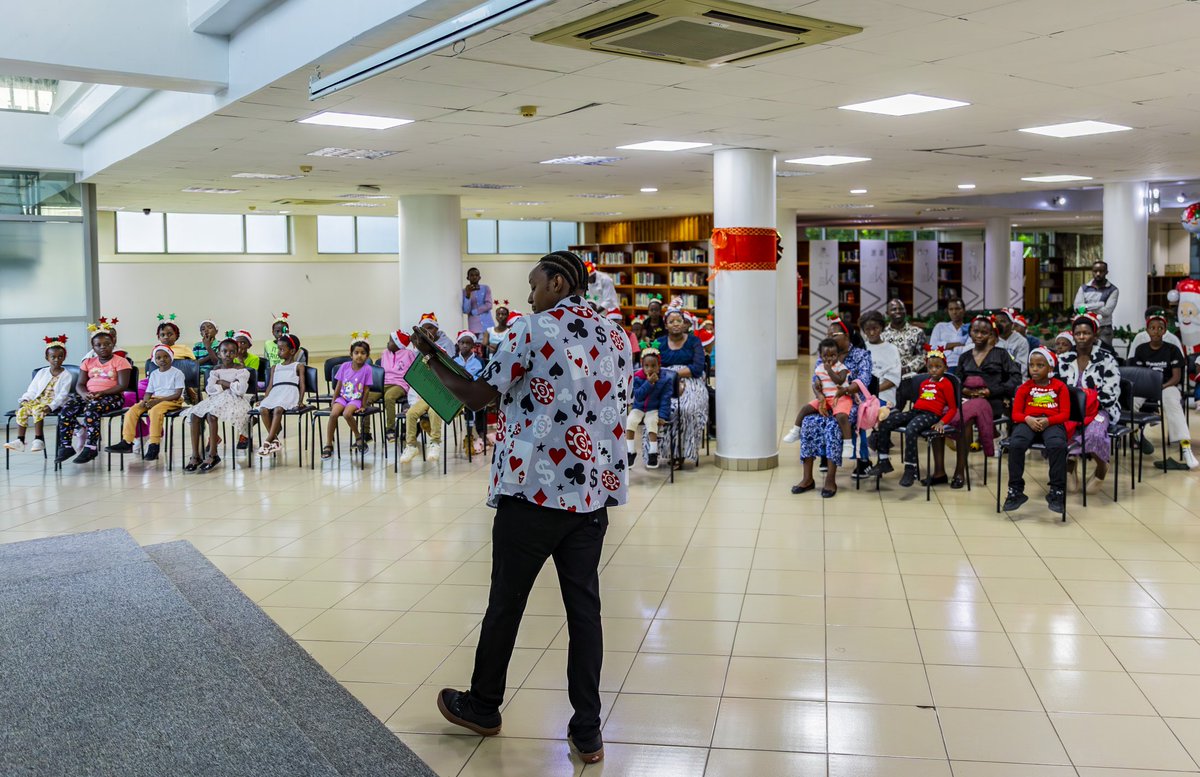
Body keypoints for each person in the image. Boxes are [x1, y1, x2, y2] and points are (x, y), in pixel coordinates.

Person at [418, 250, 630, 766]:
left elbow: (476, 395)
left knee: (506, 603)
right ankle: (587, 731)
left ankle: (484, 705)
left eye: (534, 284)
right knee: (585, 614)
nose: (530, 293)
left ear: (558, 283)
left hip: (531, 494)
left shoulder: (530, 329)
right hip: (589, 501)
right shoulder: (617, 337)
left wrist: (429, 364)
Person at [794, 316, 872, 498]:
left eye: (833, 334)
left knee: (833, 425)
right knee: (808, 421)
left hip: (850, 403)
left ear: (846, 335)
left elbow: (864, 380)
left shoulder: (861, 355)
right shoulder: (825, 354)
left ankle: (830, 479)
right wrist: (820, 396)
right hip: (827, 402)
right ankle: (807, 478)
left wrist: (845, 390)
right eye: (827, 334)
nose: (829, 338)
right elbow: (816, 380)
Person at [868, 346, 957, 486]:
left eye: (938, 367)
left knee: (911, 429)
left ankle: (911, 469)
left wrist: (942, 422)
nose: (933, 370)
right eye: (930, 367)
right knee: (886, 422)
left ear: (945, 368)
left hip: (931, 415)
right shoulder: (925, 383)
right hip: (916, 411)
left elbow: (953, 408)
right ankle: (884, 461)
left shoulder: (946, 384)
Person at [950, 315, 1021, 488]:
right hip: (967, 398)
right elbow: (956, 380)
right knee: (958, 414)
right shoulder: (965, 356)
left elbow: (1015, 379)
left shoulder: (1002, 354)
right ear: (971, 333)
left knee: (965, 418)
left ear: (991, 334)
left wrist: (992, 391)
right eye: (976, 331)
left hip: (993, 400)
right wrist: (963, 390)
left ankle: (960, 471)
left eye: (984, 332)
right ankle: (949, 468)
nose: (979, 335)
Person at [1059, 310, 1121, 494]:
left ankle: (1102, 467)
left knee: (1093, 433)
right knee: (1060, 428)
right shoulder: (1063, 359)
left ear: (1095, 335)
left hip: (1099, 409)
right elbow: (1055, 386)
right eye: (1077, 333)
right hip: (1069, 408)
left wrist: (1089, 405)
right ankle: (1070, 464)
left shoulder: (1107, 359)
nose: (1081, 337)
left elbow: (1112, 391)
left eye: (1086, 333)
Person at [1003, 347, 1070, 514]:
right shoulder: (1025, 387)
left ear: (1051, 368)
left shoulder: (1060, 387)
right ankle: (1015, 490)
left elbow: (1065, 414)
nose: (1034, 368)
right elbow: (1016, 413)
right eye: (1031, 365)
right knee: (1016, 444)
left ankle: (1056, 491)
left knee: (1057, 445)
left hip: (1052, 422)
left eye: (1040, 365)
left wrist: (1048, 420)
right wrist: (1028, 419)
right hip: (1028, 421)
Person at [1130, 311, 1197, 470]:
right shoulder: (1140, 349)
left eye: (1160, 328)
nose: (1156, 331)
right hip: (1145, 387)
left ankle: (1186, 448)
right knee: (1130, 401)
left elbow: (1176, 377)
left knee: (1173, 402)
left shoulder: (1172, 349)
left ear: (1164, 330)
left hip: (1167, 386)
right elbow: (1138, 375)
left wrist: (1160, 387)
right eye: (1152, 328)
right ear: (1147, 330)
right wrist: (1149, 388)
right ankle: (1136, 435)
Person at [56, 324, 132, 464]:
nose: (103, 347)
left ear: (113, 344)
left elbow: (122, 385)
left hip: (112, 397)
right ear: (93, 347)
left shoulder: (121, 362)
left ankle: (91, 447)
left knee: (92, 409)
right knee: (66, 408)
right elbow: (80, 384)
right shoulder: (88, 362)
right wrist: (84, 394)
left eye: (107, 344)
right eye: (99, 345)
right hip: (89, 395)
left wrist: (102, 392)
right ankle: (66, 446)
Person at [181, 338, 252, 473]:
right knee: (195, 414)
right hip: (216, 399)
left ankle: (213, 454)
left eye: (232, 352)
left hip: (235, 400)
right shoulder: (215, 370)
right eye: (224, 351)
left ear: (236, 354)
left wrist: (223, 383)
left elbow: (240, 390)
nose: (228, 354)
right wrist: (228, 384)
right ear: (219, 353)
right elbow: (210, 389)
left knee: (211, 415)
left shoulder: (241, 370)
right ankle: (196, 455)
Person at [105, 345, 185, 461]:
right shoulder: (154, 374)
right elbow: (149, 392)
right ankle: (127, 441)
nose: (162, 360)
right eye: (158, 358)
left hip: (172, 400)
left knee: (155, 411)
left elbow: (177, 394)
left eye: (166, 357)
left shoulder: (177, 373)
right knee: (132, 410)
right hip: (155, 399)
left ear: (171, 357)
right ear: (154, 360)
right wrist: (145, 401)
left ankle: (154, 444)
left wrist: (158, 401)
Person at [655, 308, 708, 465]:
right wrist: (668, 376)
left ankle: (685, 452)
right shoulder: (659, 342)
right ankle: (663, 452)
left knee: (687, 408)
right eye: (671, 321)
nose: (676, 324)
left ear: (684, 323)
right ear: (666, 325)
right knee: (661, 409)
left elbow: (698, 367)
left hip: (692, 379)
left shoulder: (694, 341)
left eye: (679, 320)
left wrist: (677, 374)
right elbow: (653, 365)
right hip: (665, 379)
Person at [400, 313, 453, 465]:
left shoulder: (443, 352)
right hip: (425, 395)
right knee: (411, 413)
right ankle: (410, 445)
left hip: (440, 393)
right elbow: (417, 381)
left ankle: (435, 443)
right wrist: (413, 399)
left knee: (434, 411)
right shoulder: (419, 357)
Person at [5, 335, 72, 453]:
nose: (56, 359)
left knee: (37, 410)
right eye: (53, 357)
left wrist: (51, 407)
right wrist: (25, 399)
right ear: (47, 358)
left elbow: (63, 396)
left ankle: (38, 439)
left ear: (64, 358)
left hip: (52, 403)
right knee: (22, 410)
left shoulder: (66, 375)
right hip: (38, 400)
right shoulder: (42, 372)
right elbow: (32, 390)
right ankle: (20, 441)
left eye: (60, 357)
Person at [321, 334, 373, 459]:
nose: (359, 355)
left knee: (347, 414)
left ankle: (358, 437)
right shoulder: (344, 366)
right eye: (356, 352)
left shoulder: (367, 369)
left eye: (363, 353)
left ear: (367, 355)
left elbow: (366, 390)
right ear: (351, 354)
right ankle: (328, 443)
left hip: (356, 399)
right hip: (342, 398)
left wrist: (363, 406)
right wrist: (334, 401)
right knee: (333, 414)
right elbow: (338, 385)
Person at [256, 334, 306, 457]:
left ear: (292, 351)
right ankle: (275, 440)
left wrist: (300, 400)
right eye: (278, 349)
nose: (279, 352)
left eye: (282, 349)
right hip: (276, 393)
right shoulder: (275, 367)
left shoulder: (298, 366)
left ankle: (268, 441)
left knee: (278, 409)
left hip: (289, 392)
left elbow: (302, 385)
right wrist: (264, 399)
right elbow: (270, 386)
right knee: (263, 409)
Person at [626, 348, 674, 469]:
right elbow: (638, 396)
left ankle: (653, 452)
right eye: (646, 366)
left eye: (653, 366)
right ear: (642, 366)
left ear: (659, 366)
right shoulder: (637, 378)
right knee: (630, 421)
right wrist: (648, 383)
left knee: (652, 422)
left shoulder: (665, 380)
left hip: (653, 409)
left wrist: (663, 416)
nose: (650, 369)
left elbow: (665, 399)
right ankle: (630, 452)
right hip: (639, 407)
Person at [378, 330, 417, 442]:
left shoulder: (408, 354)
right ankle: (366, 433)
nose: (388, 343)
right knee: (366, 397)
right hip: (384, 383)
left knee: (389, 397)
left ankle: (390, 429)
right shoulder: (385, 353)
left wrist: (410, 388)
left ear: (398, 344)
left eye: (391, 341)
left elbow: (413, 372)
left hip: (400, 384)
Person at [454, 330, 488, 454]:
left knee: (478, 402)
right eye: (462, 342)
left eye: (468, 343)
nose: (464, 345)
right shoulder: (454, 360)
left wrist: (470, 379)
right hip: (458, 393)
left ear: (473, 345)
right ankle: (469, 435)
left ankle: (480, 433)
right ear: (458, 343)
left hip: (474, 391)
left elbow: (482, 377)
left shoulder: (479, 361)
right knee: (466, 403)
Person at [1073, 260, 1119, 345]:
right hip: (1085, 327)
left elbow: (1107, 311)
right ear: (1092, 272)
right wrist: (1100, 304)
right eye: (1095, 271)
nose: (1098, 274)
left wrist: (1085, 307)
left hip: (1104, 328)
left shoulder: (1113, 290)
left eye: (1101, 271)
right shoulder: (1084, 288)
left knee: (1105, 353)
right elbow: (1077, 308)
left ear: (1106, 272)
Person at [881, 298, 927, 377]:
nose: (898, 311)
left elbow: (923, 356)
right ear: (887, 313)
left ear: (905, 311)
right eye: (894, 309)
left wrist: (907, 369)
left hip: (910, 375)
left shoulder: (917, 332)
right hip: (886, 376)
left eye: (901, 309)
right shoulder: (882, 334)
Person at [929, 298, 969, 369]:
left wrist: (946, 347)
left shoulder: (969, 328)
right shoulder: (940, 326)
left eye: (957, 309)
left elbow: (969, 349)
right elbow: (932, 347)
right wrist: (958, 344)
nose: (954, 312)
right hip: (943, 365)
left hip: (963, 365)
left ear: (963, 310)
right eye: (951, 309)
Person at [994, 308, 1031, 373]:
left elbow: (1022, 367)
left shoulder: (1021, 341)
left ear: (1012, 324)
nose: (998, 324)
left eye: (1003, 321)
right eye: (996, 322)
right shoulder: (991, 339)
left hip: (1017, 378)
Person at [462, 267, 495, 335]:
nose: (474, 277)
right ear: (468, 278)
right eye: (472, 275)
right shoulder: (464, 291)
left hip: (488, 325)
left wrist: (474, 312)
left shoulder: (486, 288)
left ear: (479, 277)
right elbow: (466, 310)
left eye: (476, 275)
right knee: (477, 345)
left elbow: (489, 305)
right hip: (474, 327)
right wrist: (468, 294)